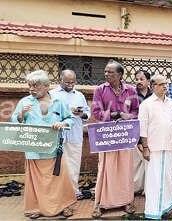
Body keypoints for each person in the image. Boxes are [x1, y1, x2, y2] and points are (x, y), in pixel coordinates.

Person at [11, 70, 76, 219]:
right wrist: (21, 115)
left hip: (54, 149)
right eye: (30, 87)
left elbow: (70, 119)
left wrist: (62, 123)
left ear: (46, 86)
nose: (32, 90)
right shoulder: (25, 102)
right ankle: (35, 207)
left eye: (36, 86)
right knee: (36, 182)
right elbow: (15, 122)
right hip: (33, 150)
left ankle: (63, 206)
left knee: (58, 180)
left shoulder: (58, 102)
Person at [91, 61, 139, 218]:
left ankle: (126, 201)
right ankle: (100, 203)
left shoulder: (131, 90)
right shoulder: (100, 90)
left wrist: (127, 116)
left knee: (125, 169)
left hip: (125, 136)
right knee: (105, 169)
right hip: (107, 136)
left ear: (120, 75)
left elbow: (136, 111)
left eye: (110, 72)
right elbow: (96, 112)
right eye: (105, 72)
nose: (106, 74)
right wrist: (113, 115)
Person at [138, 74, 172, 219]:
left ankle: (166, 205)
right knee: (154, 180)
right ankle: (153, 211)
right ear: (152, 86)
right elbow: (142, 129)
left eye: (166, 84)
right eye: (161, 84)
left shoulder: (171, 103)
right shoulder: (146, 105)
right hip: (153, 147)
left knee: (168, 177)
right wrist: (145, 148)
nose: (165, 86)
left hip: (169, 146)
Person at [49, 69, 90, 200]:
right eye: (67, 82)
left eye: (73, 82)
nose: (70, 85)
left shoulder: (79, 95)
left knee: (73, 163)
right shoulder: (51, 94)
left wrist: (81, 114)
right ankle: (57, 192)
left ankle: (73, 191)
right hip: (56, 135)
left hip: (74, 135)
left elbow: (87, 114)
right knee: (56, 164)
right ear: (60, 80)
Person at [133, 70, 152, 194]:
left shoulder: (153, 95)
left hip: (151, 134)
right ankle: (136, 189)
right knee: (136, 164)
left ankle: (148, 189)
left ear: (148, 81)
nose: (139, 81)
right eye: (137, 79)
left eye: (142, 79)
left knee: (150, 162)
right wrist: (139, 140)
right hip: (135, 135)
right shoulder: (131, 95)